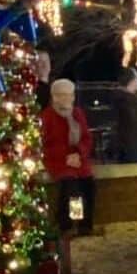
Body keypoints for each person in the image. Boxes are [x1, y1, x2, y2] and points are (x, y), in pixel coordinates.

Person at [41, 79, 96, 235]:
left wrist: (78, 153)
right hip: (59, 161)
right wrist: (67, 157)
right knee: (73, 191)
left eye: (69, 95)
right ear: (55, 97)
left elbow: (86, 138)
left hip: (78, 159)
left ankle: (85, 225)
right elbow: (46, 144)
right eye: (62, 95)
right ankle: (70, 224)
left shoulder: (77, 113)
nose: (67, 98)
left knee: (89, 186)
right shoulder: (47, 116)